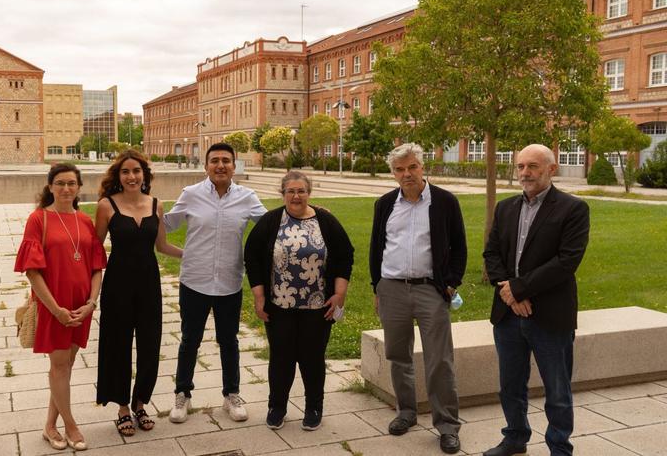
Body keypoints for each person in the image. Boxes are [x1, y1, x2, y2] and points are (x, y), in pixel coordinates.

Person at [482, 144, 590, 456]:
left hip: (550, 316)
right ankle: (515, 438)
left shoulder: (573, 209)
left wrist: (519, 289)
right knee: (510, 386)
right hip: (508, 315)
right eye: (520, 167)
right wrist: (510, 293)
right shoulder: (505, 208)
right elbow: (492, 254)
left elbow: (566, 262)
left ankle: (559, 447)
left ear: (551, 169)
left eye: (533, 166)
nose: (525, 173)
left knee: (557, 389)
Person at [369, 143, 467, 454]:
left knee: (439, 360)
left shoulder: (444, 202)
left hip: (430, 290)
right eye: (400, 169)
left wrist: (450, 285)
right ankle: (407, 412)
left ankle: (447, 426)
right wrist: (378, 287)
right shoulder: (385, 204)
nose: (407, 174)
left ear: (422, 167)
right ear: (393, 173)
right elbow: (377, 248)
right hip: (392, 289)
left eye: (412, 167)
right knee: (398, 356)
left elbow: (460, 248)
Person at [164, 142, 267, 423]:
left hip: (229, 282)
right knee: (189, 340)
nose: (220, 165)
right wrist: (137, 209)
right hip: (194, 280)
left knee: (229, 340)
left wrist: (311, 214)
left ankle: (231, 394)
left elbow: (270, 226)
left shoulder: (247, 197)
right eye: (214, 161)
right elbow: (167, 224)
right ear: (205, 165)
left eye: (226, 160)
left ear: (234, 165)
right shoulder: (191, 194)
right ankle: (182, 394)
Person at [244, 171, 354, 431]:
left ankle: (314, 407)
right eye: (291, 191)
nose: (296, 196)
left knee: (312, 358)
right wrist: (259, 297)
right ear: (282, 193)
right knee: (281, 358)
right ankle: (277, 406)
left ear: (309, 192)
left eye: (301, 191)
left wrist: (339, 294)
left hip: (318, 307)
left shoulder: (325, 220)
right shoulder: (271, 222)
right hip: (279, 307)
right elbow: (252, 258)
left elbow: (345, 255)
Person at [14, 163, 107, 451]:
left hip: (81, 308)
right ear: (50, 186)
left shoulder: (85, 221)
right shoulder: (38, 219)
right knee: (59, 367)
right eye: (60, 183)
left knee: (65, 367)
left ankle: (49, 426)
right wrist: (55, 310)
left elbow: (96, 267)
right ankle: (70, 425)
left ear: (79, 187)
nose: (66, 188)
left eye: (71, 183)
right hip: (53, 307)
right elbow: (32, 271)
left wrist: (92, 303)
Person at [94, 150, 183, 436]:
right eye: (125, 172)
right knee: (117, 344)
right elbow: (95, 251)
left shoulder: (157, 205)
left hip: (148, 283)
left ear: (144, 175)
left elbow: (163, 247)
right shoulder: (106, 206)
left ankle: (140, 401)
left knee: (149, 344)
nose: (131, 176)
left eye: (136, 171)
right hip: (117, 284)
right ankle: (122, 407)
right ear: (118, 177)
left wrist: (194, 256)